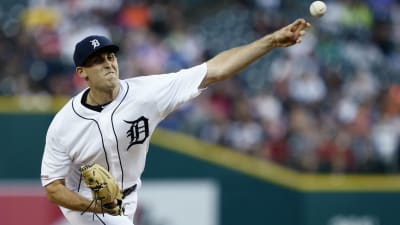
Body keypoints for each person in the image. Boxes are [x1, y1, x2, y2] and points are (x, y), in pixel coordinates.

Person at [40, 18, 311, 225]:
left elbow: (214, 70)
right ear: (82, 72)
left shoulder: (147, 93)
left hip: (129, 196)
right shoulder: (65, 124)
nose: (108, 64)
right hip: (86, 201)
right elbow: (53, 189)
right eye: (97, 61)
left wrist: (271, 41)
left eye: (110, 57)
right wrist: (98, 207)